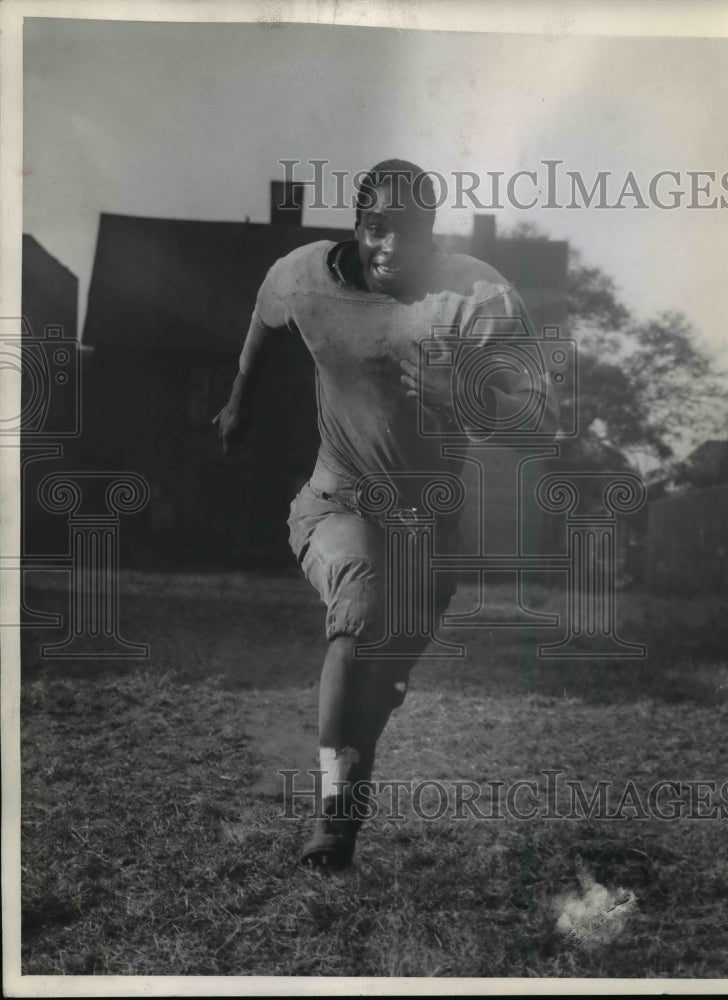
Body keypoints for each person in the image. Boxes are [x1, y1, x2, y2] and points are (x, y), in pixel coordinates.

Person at [214, 159, 555, 869]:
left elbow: (537, 423)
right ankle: (334, 820)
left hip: (429, 530)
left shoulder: (475, 296)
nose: (390, 247)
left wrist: (461, 390)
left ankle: (351, 771)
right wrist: (239, 399)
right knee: (359, 612)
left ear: (433, 234)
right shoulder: (305, 276)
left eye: (410, 233)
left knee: (385, 679)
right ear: (356, 226)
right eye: (376, 228)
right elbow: (265, 317)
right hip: (336, 501)